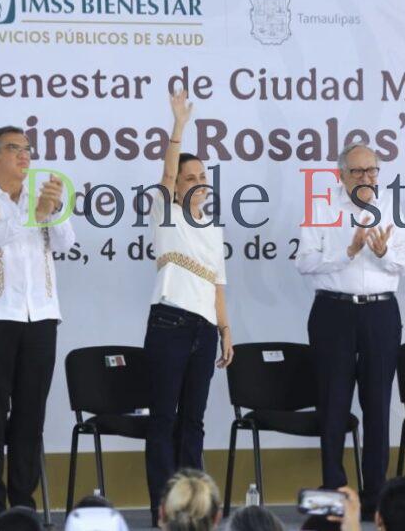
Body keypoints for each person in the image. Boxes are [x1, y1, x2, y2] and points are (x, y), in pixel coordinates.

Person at [0, 125, 76, 517]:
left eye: (27, 148)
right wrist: (33, 214)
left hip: (40, 315)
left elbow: (66, 243)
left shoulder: (38, 196)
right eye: (14, 148)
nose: (24, 155)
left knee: (30, 415)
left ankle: (22, 507)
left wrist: (52, 211)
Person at [295, 141, 405, 514]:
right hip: (333, 313)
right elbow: (304, 262)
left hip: (380, 313)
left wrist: (382, 252)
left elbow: (403, 263)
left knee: (378, 404)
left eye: (372, 170)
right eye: (358, 171)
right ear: (341, 175)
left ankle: (375, 494)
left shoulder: (390, 207)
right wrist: (346, 251)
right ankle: (334, 490)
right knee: (333, 404)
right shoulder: (321, 208)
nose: (366, 178)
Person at [144, 91, 234, 523]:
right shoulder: (166, 212)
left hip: (203, 330)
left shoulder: (213, 228)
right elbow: (165, 171)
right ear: (177, 185)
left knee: (193, 421)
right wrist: (179, 126)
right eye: (189, 177)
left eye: (203, 176)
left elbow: (217, 283)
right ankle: (164, 508)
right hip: (169, 323)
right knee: (164, 418)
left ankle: (193, 508)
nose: (199, 182)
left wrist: (225, 330)